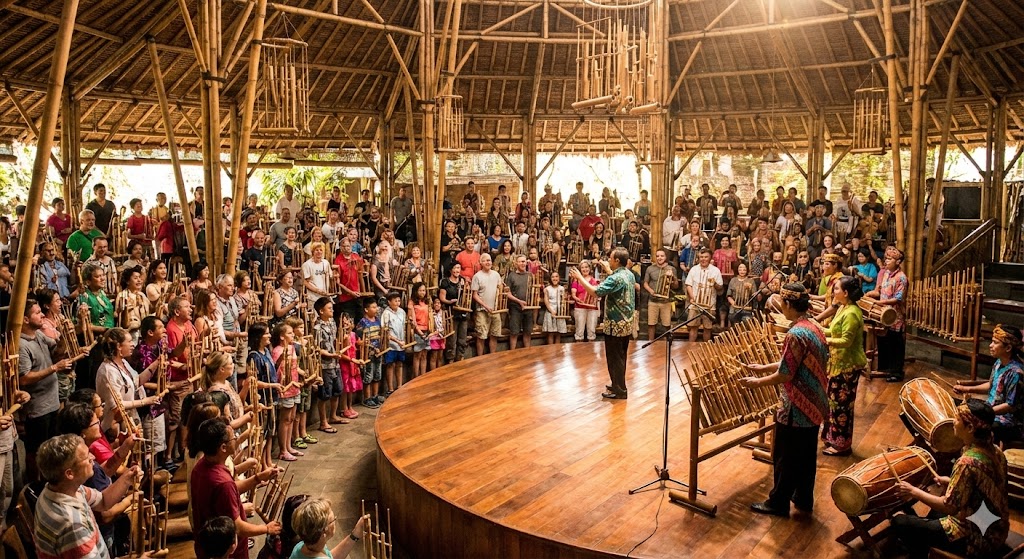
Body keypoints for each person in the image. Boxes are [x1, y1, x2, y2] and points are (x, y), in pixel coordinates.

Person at [739, 282, 828, 517]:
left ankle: (778, 502)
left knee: (785, 456)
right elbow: (792, 363)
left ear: (787, 304)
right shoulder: (814, 326)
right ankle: (803, 498)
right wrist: (762, 367)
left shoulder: (795, 333)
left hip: (796, 405)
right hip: (815, 402)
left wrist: (756, 382)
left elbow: (786, 373)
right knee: (807, 455)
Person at [891, 399, 1010, 559]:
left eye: (957, 419)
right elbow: (983, 486)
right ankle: (922, 538)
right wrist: (950, 481)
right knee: (932, 515)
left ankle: (920, 553)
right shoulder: (996, 451)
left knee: (900, 522)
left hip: (977, 538)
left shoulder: (967, 462)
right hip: (996, 526)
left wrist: (914, 492)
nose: (953, 422)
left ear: (970, 428)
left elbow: (949, 507)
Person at [33, 434, 141, 559]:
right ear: (69, 473)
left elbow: (103, 501)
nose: (93, 457)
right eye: (86, 457)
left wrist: (127, 478)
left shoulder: (61, 489)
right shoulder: (72, 525)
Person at [190, 417, 282, 559]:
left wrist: (258, 478)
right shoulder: (222, 482)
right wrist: (266, 528)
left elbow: (229, 490)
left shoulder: (201, 466)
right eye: (233, 438)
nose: (236, 439)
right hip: (227, 551)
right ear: (223, 448)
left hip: (208, 547)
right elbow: (237, 526)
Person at [569, 247, 636, 400]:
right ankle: (617, 384)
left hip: (615, 324)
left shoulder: (615, 278)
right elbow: (617, 282)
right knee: (621, 356)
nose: (608, 261)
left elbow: (595, 292)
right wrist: (608, 270)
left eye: (611, 258)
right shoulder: (628, 274)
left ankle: (619, 390)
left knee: (614, 358)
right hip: (626, 322)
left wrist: (580, 277)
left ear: (617, 260)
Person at [20, 299, 73, 479]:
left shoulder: (39, 336)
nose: (42, 314)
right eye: (37, 312)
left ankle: (47, 481)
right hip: (37, 408)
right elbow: (24, 378)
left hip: (52, 403)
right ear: (26, 319)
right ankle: (34, 483)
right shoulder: (21, 345)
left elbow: (56, 351)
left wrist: (65, 337)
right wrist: (54, 368)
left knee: (49, 447)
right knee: (36, 451)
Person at [820, 276, 868, 456]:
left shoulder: (852, 313)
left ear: (846, 293)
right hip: (837, 363)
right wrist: (816, 328)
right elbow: (833, 331)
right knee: (833, 403)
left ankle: (842, 445)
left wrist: (824, 339)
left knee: (842, 406)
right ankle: (833, 439)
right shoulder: (843, 308)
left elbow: (846, 341)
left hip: (848, 366)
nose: (834, 292)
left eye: (837, 289)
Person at [954, 325, 1024, 445]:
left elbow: (1010, 406)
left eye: (995, 343)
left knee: (972, 425)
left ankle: (982, 456)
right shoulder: (998, 363)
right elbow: (991, 385)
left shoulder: (1016, 373)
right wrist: (966, 388)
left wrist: (985, 413)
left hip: (1009, 421)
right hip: (991, 409)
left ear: (1008, 348)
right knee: (961, 409)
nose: (990, 346)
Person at [864, 246, 908, 382]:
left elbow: (898, 299)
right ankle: (885, 368)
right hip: (883, 313)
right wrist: (871, 295)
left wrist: (880, 304)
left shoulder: (901, 278)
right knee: (884, 341)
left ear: (898, 262)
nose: (886, 261)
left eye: (890, 259)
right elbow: (880, 292)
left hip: (896, 316)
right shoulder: (886, 274)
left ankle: (896, 372)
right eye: (886, 258)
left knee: (896, 344)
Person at [289, 498, 369, 559]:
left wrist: (354, 535)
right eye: (333, 520)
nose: (335, 521)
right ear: (323, 532)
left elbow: (329, 556)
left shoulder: (301, 547)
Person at [684, 249, 723, 342]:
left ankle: (706, 350)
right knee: (693, 327)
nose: (703, 259)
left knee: (707, 328)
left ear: (710, 258)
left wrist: (715, 284)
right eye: (701, 257)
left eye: (706, 257)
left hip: (710, 305)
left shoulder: (716, 271)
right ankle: (690, 349)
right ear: (698, 258)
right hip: (695, 304)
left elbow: (720, 288)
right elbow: (688, 284)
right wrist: (692, 297)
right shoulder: (694, 269)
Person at [471, 253, 503, 356]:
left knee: (494, 334)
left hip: (495, 309)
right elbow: (475, 295)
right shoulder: (477, 276)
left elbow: (500, 288)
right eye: (485, 260)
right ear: (481, 263)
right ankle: (480, 358)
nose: (488, 262)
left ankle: (492, 356)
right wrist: (485, 306)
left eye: (489, 260)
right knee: (481, 335)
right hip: (482, 310)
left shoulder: (496, 274)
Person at [643, 249, 677, 341]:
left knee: (667, 324)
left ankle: (668, 343)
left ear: (666, 257)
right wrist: (650, 291)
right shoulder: (650, 268)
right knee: (651, 324)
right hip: (653, 300)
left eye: (662, 256)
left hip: (666, 301)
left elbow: (676, 286)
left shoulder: (672, 269)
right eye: (657, 256)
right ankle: (650, 342)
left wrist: (673, 278)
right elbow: (645, 283)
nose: (659, 258)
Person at [438, 262, 469, 362]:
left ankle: (460, 358)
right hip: (451, 313)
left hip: (463, 313)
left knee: (462, 338)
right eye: (455, 268)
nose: (457, 270)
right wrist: (449, 302)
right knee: (452, 339)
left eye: (459, 268)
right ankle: (450, 360)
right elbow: (442, 298)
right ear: (451, 270)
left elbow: (467, 295)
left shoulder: (463, 281)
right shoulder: (445, 282)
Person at [356, 299, 383, 408]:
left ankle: (375, 395)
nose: (376, 309)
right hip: (368, 353)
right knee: (368, 376)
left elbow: (381, 335)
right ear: (366, 309)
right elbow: (359, 340)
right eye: (373, 307)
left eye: (376, 307)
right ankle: (367, 398)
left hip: (378, 352)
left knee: (377, 375)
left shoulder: (377, 320)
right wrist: (370, 347)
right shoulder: (362, 323)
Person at [504, 255, 534, 351]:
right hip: (515, 307)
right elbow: (507, 293)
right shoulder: (511, 276)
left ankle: (527, 353)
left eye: (524, 261)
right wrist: (519, 301)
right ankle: (512, 354)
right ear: (516, 263)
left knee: (527, 332)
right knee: (514, 332)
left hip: (528, 308)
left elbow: (534, 290)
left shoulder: (530, 275)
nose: (523, 263)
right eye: (520, 262)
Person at [570, 261, 600, 342]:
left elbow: (597, 293)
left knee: (591, 330)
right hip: (580, 307)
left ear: (590, 269)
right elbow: (573, 294)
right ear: (580, 269)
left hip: (592, 308)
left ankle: (591, 350)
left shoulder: (595, 281)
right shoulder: (576, 281)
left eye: (586, 267)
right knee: (579, 330)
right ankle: (579, 350)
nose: (585, 269)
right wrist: (576, 298)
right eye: (582, 267)